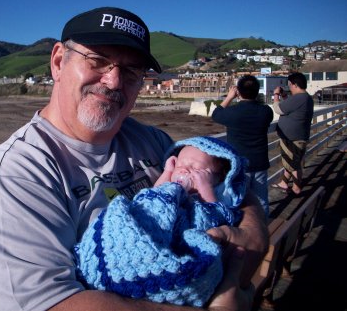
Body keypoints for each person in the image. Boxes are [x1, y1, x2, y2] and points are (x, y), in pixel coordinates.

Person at [0, 6, 268, 311]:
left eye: (132, 71)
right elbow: (50, 304)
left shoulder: (153, 141)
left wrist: (251, 233)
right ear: (58, 62)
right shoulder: (18, 175)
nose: (113, 81)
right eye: (97, 60)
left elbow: (231, 184)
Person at [75, 136, 248, 307]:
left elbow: (215, 216)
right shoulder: (171, 187)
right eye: (181, 165)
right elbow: (154, 194)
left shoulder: (211, 198)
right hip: (151, 222)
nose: (186, 171)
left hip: (181, 239)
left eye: (198, 170)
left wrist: (205, 187)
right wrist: (167, 172)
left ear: (218, 179)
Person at [212, 75, 273, 217]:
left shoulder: (233, 113)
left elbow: (216, 114)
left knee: (238, 200)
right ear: (257, 92)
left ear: (238, 92)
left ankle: (244, 229)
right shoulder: (266, 111)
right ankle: (263, 228)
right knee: (261, 199)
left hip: (239, 165)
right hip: (260, 161)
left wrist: (229, 97)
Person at [271, 72, 314, 195]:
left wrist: (276, 95)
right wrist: (284, 96)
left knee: (293, 164)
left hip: (292, 137)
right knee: (291, 161)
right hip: (299, 135)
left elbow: (278, 109)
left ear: (294, 84)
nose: (289, 87)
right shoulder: (305, 97)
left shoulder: (299, 98)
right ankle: (284, 183)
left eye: (289, 85)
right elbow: (290, 107)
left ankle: (296, 188)